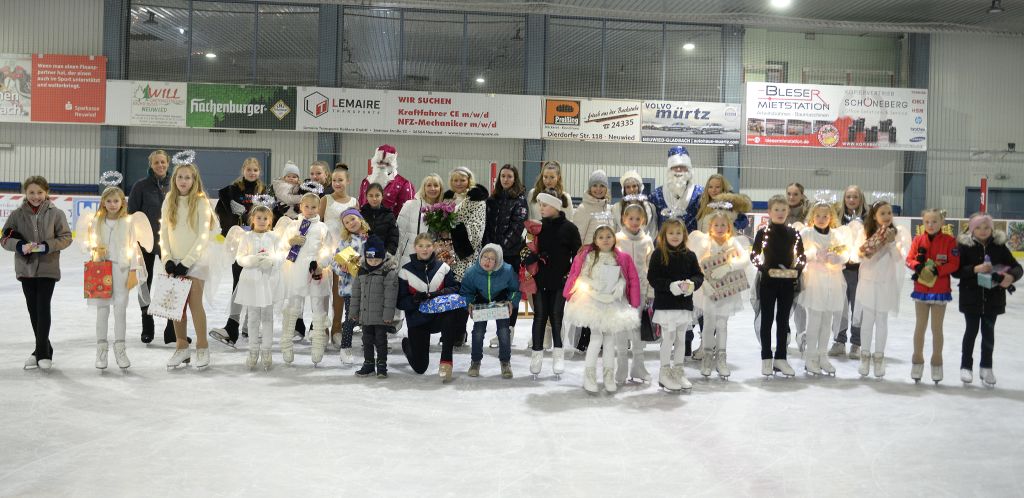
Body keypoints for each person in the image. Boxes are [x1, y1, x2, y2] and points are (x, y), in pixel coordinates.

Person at [2, 176, 72, 370]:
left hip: (48, 268)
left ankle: (41, 353)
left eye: (40, 192)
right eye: (32, 192)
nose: (36, 196)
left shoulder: (56, 213)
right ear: (25, 193)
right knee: (33, 310)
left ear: (46, 193)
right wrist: (20, 245)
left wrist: (46, 246)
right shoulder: (17, 215)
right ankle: (43, 348)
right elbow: (4, 237)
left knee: (43, 308)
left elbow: (66, 237)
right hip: (26, 268)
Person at [564, 225, 641, 394]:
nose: (605, 240)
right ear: (595, 240)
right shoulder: (590, 257)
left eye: (608, 236)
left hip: (612, 301)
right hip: (594, 301)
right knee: (596, 338)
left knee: (610, 341)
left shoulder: (619, 257)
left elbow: (625, 276)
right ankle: (589, 375)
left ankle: (608, 376)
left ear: (614, 238)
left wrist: (621, 285)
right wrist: (593, 285)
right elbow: (581, 275)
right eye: (601, 237)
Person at [80, 186, 148, 371]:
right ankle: (101, 349)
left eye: (116, 201)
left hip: (122, 269)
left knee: (120, 310)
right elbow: (86, 244)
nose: (112, 204)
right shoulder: (97, 221)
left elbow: (133, 246)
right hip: (101, 269)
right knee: (102, 310)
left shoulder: (127, 222)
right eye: (108, 201)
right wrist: (94, 249)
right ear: (103, 202)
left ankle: (120, 348)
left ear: (122, 202)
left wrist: (134, 269)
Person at [160, 163, 217, 370]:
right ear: (174, 180)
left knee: (194, 304)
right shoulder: (169, 200)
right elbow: (164, 232)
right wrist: (167, 258)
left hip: (196, 261)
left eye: (188, 177)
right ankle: (182, 347)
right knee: (176, 306)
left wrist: (187, 262)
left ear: (195, 180)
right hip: (173, 261)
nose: (183, 181)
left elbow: (203, 235)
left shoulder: (201, 202)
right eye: (180, 177)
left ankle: (202, 347)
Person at [955, 213, 1022, 387]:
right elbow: (956, 272)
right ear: (971, 229)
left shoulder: (999, 247)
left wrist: (1011, 277)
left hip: (993, 300)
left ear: (992, 228)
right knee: (971, 332)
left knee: (988, 334)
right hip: (971, 298)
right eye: (978, 227)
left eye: (986, 227)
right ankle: (966, 366)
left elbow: (1017, 267)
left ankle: (986, 367)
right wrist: (975, 269)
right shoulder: (964, 247)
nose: (982, 231)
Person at [686, 204, 751, 380]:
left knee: (722, 324)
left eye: (724, 225)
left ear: (729, 227)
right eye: (717, 225)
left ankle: (721, 358)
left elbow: (745, 259)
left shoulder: (732, 242)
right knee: (708, 323)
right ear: (710, 227)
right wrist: (704, 282)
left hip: (727, 289)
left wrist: (730, 266)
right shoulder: (705, 242)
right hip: (708, 290)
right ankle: (707, 356)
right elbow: (697, 262)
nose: (720, 229)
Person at [210, 157, 268, 347]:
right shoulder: (232, 190)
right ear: (243, 170)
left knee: (256, 282)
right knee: (239, 283)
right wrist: (234, 219)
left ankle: (246, 325)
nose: (252, 173)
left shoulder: (263, 191)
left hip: (259, 244)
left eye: (255, 170)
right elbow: (221, 212)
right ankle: (232, 326)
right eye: (249, 169)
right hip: (240, 244)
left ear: (259, 172)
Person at [524, 192, 581, 377]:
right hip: (540, 280)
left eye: (545, 205)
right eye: (540, 205)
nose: (541, 208)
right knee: (539, 316)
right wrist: (530, 257)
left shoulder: (570, 229)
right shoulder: (536, 228)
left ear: (556, 206)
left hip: (559, 281)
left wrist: (570, 275)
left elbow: (578, 255)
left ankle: (558, 354)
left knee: (556, 316)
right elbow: (524, 249)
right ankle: (537, 354)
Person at [749, 195, 806, 377]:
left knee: (783, 321)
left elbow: (802, 256)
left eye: (783, 210)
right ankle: (766, 358)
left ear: (788, 212)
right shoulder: (763, 233)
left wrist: (796, 269)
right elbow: (754, 255)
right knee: (767, 320)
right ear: (769, 212)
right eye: (776, 210)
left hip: (788, 282)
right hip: (768, 282)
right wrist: (764, 269)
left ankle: (781, 358)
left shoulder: (794, 234)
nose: (780, 213)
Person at [854, 200, 910, 379]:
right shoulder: (864, 232)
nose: (886, 217)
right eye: (882, 213)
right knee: (868, 319)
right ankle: (865, 356)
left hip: (886, 282)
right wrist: (870, 247)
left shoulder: (898, 233)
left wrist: (891, 242)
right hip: (868, 281)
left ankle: (879, 357)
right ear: (874, 216)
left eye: (889, 213)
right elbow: (860, 256)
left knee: (882, 320)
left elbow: (898, 259)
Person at [397, 234, 464, 382]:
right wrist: (414, 299)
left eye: (428, 246)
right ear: (415, 248)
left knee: (452, 313)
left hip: (439, 317)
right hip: (418, 320)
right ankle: (407, 345)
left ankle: (446, 361)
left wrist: (438, 294)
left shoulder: (443, 267)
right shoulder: (405, 271)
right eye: (421, 246)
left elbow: (455, 288)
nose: (424, 249)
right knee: (420, 368)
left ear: (433, 247)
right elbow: (400, 302)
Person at [278, 193, 333, 366]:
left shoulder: (323, 228)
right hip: (296, 270)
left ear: (319, 208)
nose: (310, 210)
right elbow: (281, 248)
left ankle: (318, 344)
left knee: (317, 307)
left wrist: (321, 263)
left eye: (314, 207)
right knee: (294, 306)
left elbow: (329, 249)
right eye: (306, 207)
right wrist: (290, 241)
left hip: (316, 271)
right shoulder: (292, 226)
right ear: (301, 206)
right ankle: (286, 343)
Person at [648, 218, 703, 391]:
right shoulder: (658, 254)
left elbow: (698, 275)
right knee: (668, 338)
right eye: (671, 233)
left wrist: (692, 284)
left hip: (683, 305)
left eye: (678, 233)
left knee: (681, 339)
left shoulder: (690, 255)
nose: (675, 236)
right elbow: (653, 278)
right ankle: (664, 373)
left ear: (684, 235)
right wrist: (670, 286)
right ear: (664, 235)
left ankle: (678, 370)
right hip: (666, 305)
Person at [796, 200, 849, 376]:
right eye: (818, 215)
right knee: (815, 319)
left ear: (831, 217)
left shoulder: (835, 235)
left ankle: (822, 355)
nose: (821, 219)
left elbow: (845, 253)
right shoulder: (807, 233)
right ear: (812, 216)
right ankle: (810, 357)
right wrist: (813, 255)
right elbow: (797, 254)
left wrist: (838, 258)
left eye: (825, 216)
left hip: (833, 280)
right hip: (814, 280)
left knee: (827, 319)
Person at [906, 209, 959, 383]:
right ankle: (917, 360)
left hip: (940, 290)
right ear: (923, 222)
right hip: (921, 288)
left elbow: (954, 263)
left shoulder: (950, 241)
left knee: (937, 328)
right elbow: (909, 259)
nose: (930, 225)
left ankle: (937, 361)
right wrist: (917, 266)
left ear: (942, 223)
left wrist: (939, 269)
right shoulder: (918, 240)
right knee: (920, 326)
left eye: (934, 221)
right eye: (927, 222)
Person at [126, 149, 173, 344]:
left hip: (170, 243)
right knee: (145, 282)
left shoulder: (175, 184)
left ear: (168, 163)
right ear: (150, 165)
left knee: (171, 283)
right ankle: (147, 324)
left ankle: (172, 328)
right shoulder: (141, 186)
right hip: (144, 243)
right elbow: (132, 214)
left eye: (163, 162)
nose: (160, 166)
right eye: (156, 163)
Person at [233, 205, 283, 370]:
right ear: (252, 219)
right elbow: (240, 257)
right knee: (253, 317)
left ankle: (267, 350)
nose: (262, 221)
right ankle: (253, 350)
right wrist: (251, 260)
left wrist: (272, 260)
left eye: (265, 218)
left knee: (267, 317)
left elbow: (281, 255)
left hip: (269, 281)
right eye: (258, 218)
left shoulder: (274, 237)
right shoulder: (247, 237)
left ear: (270, 221)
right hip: (252, 280)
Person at [460, 244, 520, 379]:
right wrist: (469, 303)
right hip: (480, 301)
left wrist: (511, 301)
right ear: (480, 257)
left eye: (492, 259)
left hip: (501, 301)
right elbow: (466, 291)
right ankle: (475, 362)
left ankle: (505, 362)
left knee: (504, 332)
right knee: (478, 332)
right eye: (485, 257)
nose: (487, 261)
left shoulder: (507, 270)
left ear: (498, 261)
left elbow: (515, 290)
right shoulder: (472, 272)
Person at [483, 164, 528, 338]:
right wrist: (489, 248)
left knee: (510, 292)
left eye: (509, 176)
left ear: (515, 179)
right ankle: (499, 328)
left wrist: (500, 249)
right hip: (492, 254)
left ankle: (508, 329)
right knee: (496, 292)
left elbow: (518, 227)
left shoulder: (520, 199)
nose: (506, 179)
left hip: (510, 254)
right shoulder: (492, 199)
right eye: (503, 176)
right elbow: (486, 226)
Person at [615, 203, 655, 383]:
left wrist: (650, 290)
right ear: (624, 219)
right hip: (620, 290)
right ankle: (621, 368)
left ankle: (638, 366)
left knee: (637, 329)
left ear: (643, 220)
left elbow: (651, 266)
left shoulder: (647, 241)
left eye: (637, 219)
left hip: (640, 290)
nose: (634, 222)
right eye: (630, 218)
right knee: (621, 328)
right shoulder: (617, 239)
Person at [350, 236, 399, 379]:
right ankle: (369, 364)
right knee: (366, 341)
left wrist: (388, 316)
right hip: (365, 316)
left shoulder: (388, 273)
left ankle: (382, 365)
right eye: (370, 260)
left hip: (381, 317)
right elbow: (356, 294)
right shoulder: (362, 271)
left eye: (377, 260)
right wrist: (354, 313)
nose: (373, 262)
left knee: (381, 341)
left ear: (383, 258)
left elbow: (390, 297)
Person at [319, 164, 358, 342]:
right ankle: (321, 326)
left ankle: (337, 326)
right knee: (322, 290)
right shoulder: (326, 199)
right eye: (334, 180)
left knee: (340, 291)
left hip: (347, 251)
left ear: (348, 181)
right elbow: (317, 223)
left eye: (340, 180)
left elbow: (356, 227)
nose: (337, 183)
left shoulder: (354, 201)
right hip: (326, 248)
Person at [829, 185, 868, 359]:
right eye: (848, 197)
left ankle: (857, 343)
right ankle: (839, 340)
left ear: (861, 199)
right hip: (840, 270)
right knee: (840, 306)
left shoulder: (868, 219)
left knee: (858, 308)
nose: (851, 200)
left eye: (855, 197)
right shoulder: (836, 219)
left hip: (860, 271)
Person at [330, 209, 371, 364]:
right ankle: (345, 347)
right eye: (346, 222)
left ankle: (369, 344)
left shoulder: (370, 239)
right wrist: (343, 266)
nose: (350, 223)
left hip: (368, 286)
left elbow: (378, 258)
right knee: (351, 317)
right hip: (349, 287)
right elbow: (334, 262)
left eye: (352, 219)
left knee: (368, 317)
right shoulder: (344, 242)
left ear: (360, 219)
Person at [650, 146, 703, 231]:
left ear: (688, 169)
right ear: (669, 169)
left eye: (682, 166)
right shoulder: (656, 195)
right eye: (674, 166)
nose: (678, 170)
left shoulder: (700, 194)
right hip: (663, 243)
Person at [396, 174, 444, 267]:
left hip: (433, 258)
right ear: (424, 188)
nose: (432, 188)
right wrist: (396, 257)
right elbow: (399, 232)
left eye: (436, 185)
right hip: (410, 256)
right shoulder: (410, 205)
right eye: (429, 185)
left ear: (440, 188)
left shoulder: (443, 210)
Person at [358, 144, 416, 218]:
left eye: (386, 163)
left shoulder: (404, 184)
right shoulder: (366, 181)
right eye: (379, 162)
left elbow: (408, 214)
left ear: (392, 165)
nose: (382, 166)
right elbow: (360, 206)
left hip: (392, 227)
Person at [611, 170, 658, 238]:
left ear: (639, 187)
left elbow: (653, 230)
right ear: (624, 189)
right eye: (628, 187)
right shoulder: (616, 208)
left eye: (634, 186)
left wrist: (646, 243)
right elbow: (613, 229)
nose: (631, 190)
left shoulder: (650, 207)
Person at [573, 169, 613, 245]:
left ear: (606, 188)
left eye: (602, 186)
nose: (598, 189)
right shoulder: (583, 209)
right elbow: (577, 237)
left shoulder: (608, 208)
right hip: (589, 255)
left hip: (607, 254)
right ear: (590, 188)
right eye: (595, 185)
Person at [360, 183, 400, 256]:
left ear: (382, 196)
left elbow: (393, 238)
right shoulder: (361, 214)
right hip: (364, 256)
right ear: (366, 197)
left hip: (382, 257)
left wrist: (388, 254)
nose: (374, 199)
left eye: (377, 195)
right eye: (371, 196)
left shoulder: (389, 215)